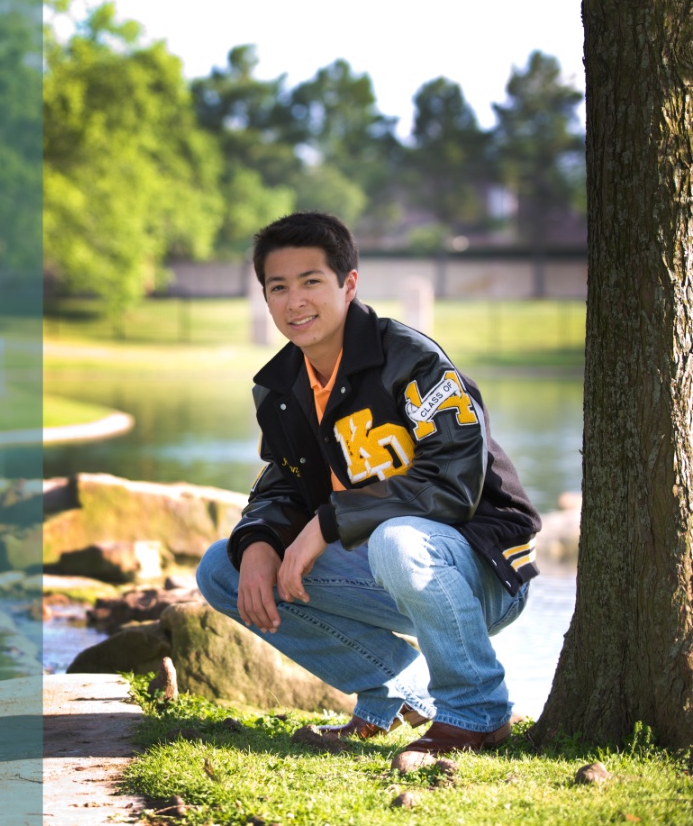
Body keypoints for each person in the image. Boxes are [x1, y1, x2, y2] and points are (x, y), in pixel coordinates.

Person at [196, 211, 540, 756]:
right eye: (278, 287)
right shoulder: (281, 384)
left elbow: (455, 480)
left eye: (311, 282)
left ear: (348, 283)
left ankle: (477, 713)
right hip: (381, 568)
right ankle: (394, 694)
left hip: (479, 571)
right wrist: (260, 541)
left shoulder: (412, 362)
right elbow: (284, 482)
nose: (294, 302)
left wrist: (329, 523)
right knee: (223, 568)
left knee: (396, 538)